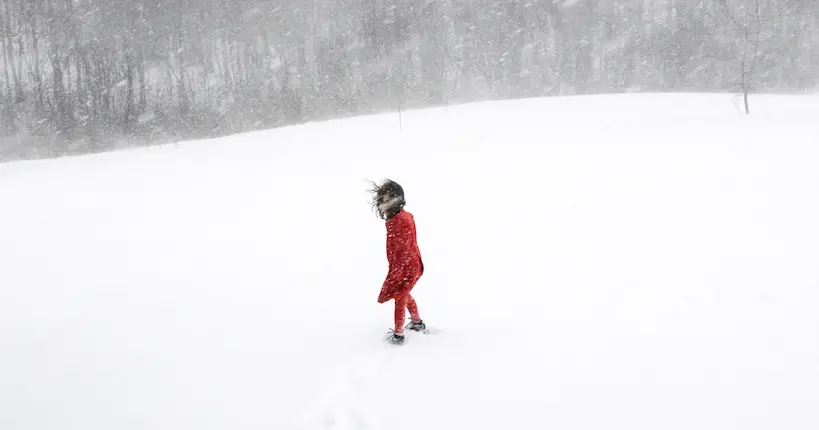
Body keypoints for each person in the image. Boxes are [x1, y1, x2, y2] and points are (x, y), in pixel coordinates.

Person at [370, 179, 426, 345]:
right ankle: (417, 323)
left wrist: (397, 271)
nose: (383, 204)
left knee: (400, 298)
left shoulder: (402, 220)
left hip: (407, 266)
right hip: (404, 265)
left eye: (387, 200)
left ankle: (398, 334)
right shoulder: (396, 218)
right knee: (404, 295)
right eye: (382, 200)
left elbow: (404, 249)